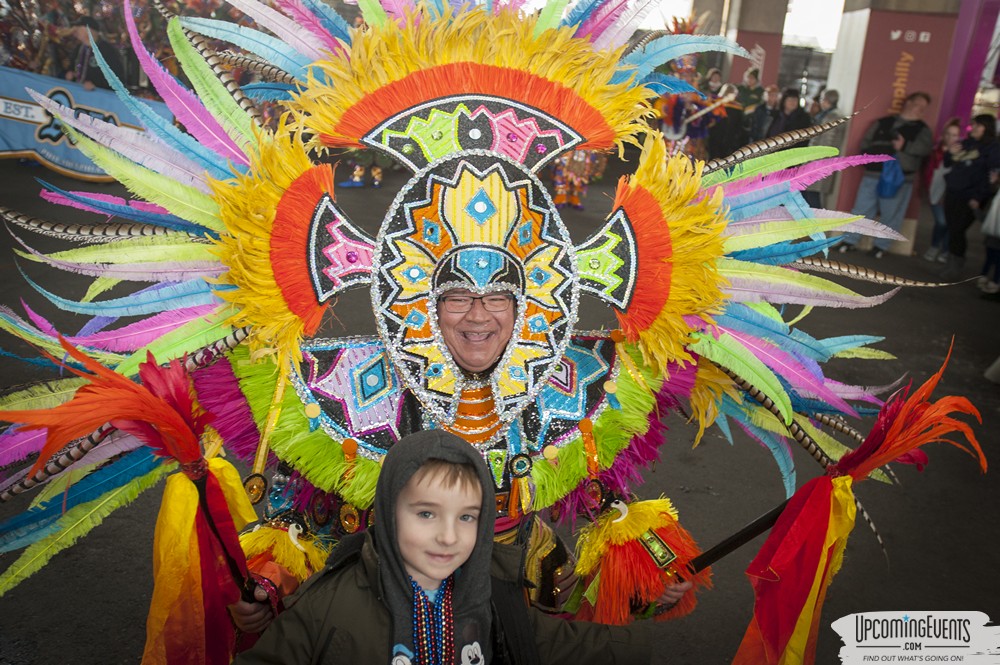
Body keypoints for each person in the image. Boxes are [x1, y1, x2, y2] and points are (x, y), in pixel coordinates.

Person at [234, 430, 657, 664]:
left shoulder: (493, 599)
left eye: (468, 517)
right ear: (386, 510)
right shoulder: (328, 606)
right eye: (426, 514)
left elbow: (560, 643)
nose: (449, 536)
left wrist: (642, 627)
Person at [837, 91, 934, 258]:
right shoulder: (883, 122)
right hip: (873, 173)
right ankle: (849, 241)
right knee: (861, 208)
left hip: (901, 178)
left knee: (892, 213)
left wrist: (904, 147)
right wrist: (872, 156)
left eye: (924, 107)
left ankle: (881, 246)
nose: (920, 109)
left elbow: (925, 150)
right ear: (909, 103)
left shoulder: (923, 129)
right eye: (918, 104)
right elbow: (865, 143)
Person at [941, 114, 1000, 279]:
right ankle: (950, 263)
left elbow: (992, 176)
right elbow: (948, 163)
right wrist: (949, 153)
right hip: (953, 191)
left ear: (986, 127)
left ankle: (956, 266)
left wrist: (979, 197)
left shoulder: (993, 148)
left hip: (970, 197)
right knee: (952, 228)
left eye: (977, 125)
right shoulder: (966, 143)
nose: (972, 128)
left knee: (958, 229)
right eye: (973, 124)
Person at [920, 118, 963, 262]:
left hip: (953, 193)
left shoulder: (962, 153)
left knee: (951, 223)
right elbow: (928, 173)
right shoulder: (935, 152)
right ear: (944, 135)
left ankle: (945, 250)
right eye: (949, 134)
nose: (951, 138)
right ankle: (934, 246)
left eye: (955, 135)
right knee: (942, 222)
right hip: (936, 192)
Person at [802, 89, 848, 209]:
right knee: (809, 194)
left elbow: (826, 142)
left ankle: (817, 226)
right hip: (818, 162)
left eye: (822, 99)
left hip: (819, 163)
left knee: (813, 197)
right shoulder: (827, 115)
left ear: (827, 100)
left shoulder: (832, 117)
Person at [59, 17, 125, 91]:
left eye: (78, 28)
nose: (75, 30)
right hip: (78, 93)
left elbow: (117, 77)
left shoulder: (106, 50)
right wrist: (71, 73)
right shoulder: (79, 48)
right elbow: (73, 67)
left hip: (98, 97)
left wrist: (96, 85)